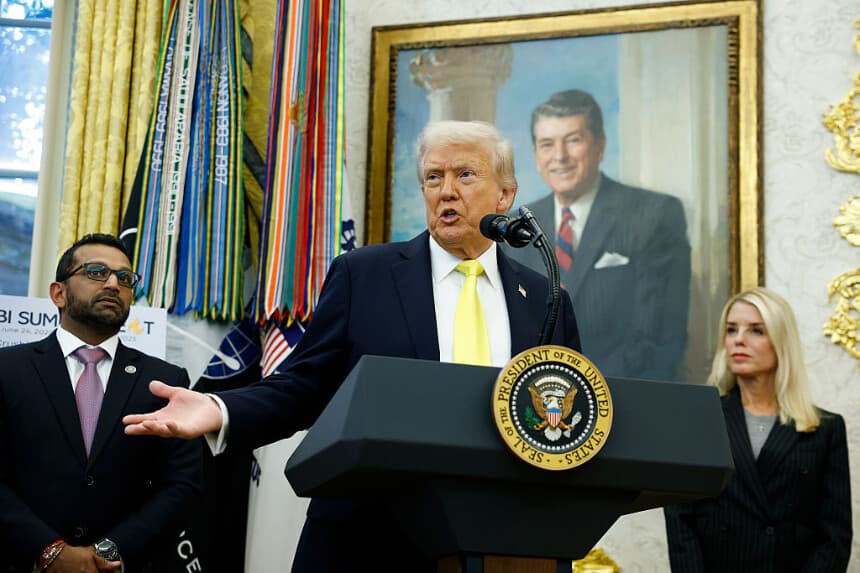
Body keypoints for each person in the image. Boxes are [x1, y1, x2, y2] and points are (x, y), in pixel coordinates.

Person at [124, 121, 582, 572]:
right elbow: (303, 386)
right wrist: (220, 409)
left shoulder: (545, 298)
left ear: (505, 196)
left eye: (465, 175)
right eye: (433, 177)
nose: (446, 191)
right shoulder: (365, 275)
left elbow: (566, 413)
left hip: (504, 538)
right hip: (369, 535)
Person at [0, 233, 202, 573]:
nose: (113, 283)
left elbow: (182, 485)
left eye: (125, 278)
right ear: (58, 293)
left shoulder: (165, 381)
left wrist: (106, 552)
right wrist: (49, 551)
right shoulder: (7, 369)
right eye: (96, 272)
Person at [505, 88, 691, 382]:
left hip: (625, 399)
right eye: (547, 144)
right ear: (536, 155)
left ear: (600, 146)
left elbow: (656, 339)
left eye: (573, 140)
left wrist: (583, 392)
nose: (560, 157)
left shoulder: (654, 215)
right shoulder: (516, 227)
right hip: (532, 402)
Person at [664, 287, 852, 571]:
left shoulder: (825, 429)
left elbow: (834, 536)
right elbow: (680, 522)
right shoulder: (698, 420)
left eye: (756, 331)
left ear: (781, 342)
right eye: (731, 330)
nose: (738, 340)